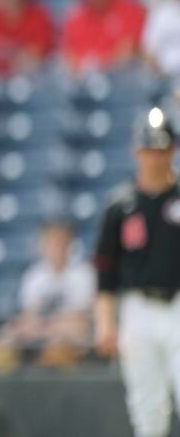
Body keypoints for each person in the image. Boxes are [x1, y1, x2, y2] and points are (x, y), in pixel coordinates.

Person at [93, 107, 180, 437]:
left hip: (179, 306)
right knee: (148, 408)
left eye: (160, 148)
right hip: (137, 310)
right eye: (148, 149)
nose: (154, 158)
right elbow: (105, 272)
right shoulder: (120, 205)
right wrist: (104, 323)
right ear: (135, 150)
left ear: (172, 149)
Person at [0, 221, 95, 377]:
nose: (54, 248)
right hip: (41, 332)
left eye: (59, 241)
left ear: (69, 243)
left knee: (59, 349)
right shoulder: (35, 275)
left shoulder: (82, 274)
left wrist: (44, 328)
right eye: (49, 242)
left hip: (71, 336)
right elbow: (29, 315)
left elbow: (78, 320)